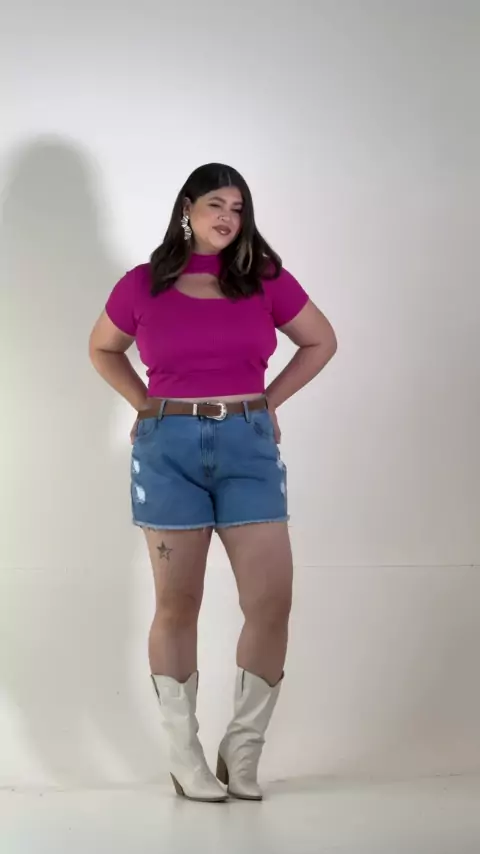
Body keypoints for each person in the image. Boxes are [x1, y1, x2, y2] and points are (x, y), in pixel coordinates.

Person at [89, 163, 337, 803]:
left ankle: (243, 749)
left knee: (271, 600)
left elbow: (320, 341)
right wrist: (144, 404)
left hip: (247, 446)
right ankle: (184, 757)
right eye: (216, 205)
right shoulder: (142, 283)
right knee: (178, 603)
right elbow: (102, 348)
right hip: (166, 450)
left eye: (238, 208)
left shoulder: (264, 279)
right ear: (187, 209)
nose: (228, 217)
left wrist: (269, 401)